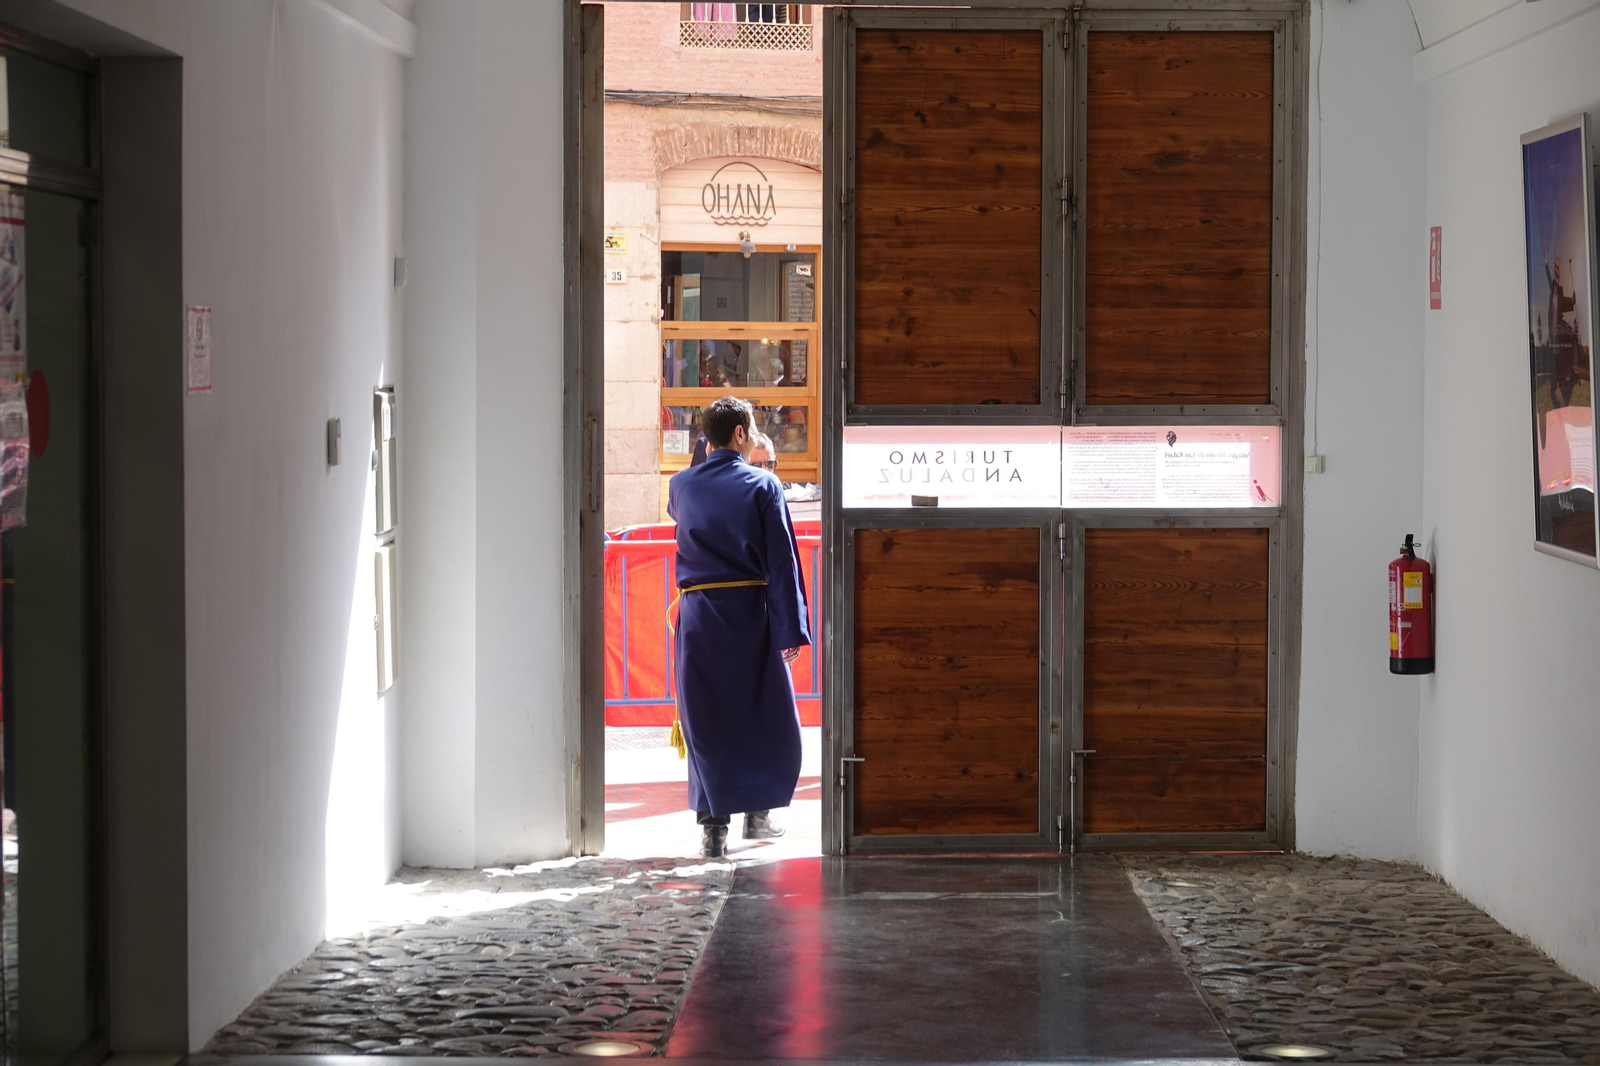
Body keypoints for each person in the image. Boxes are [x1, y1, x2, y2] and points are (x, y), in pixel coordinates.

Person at [667, 396, 811, 858]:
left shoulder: (680, 485)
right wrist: (791, 630)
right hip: (750, 615)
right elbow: (782, 562)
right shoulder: (763, 484)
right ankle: (758, 816)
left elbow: (686, 513)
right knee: (762, 718)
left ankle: (713, 829)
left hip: (698, 620)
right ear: (741, 435)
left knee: (706, 720)